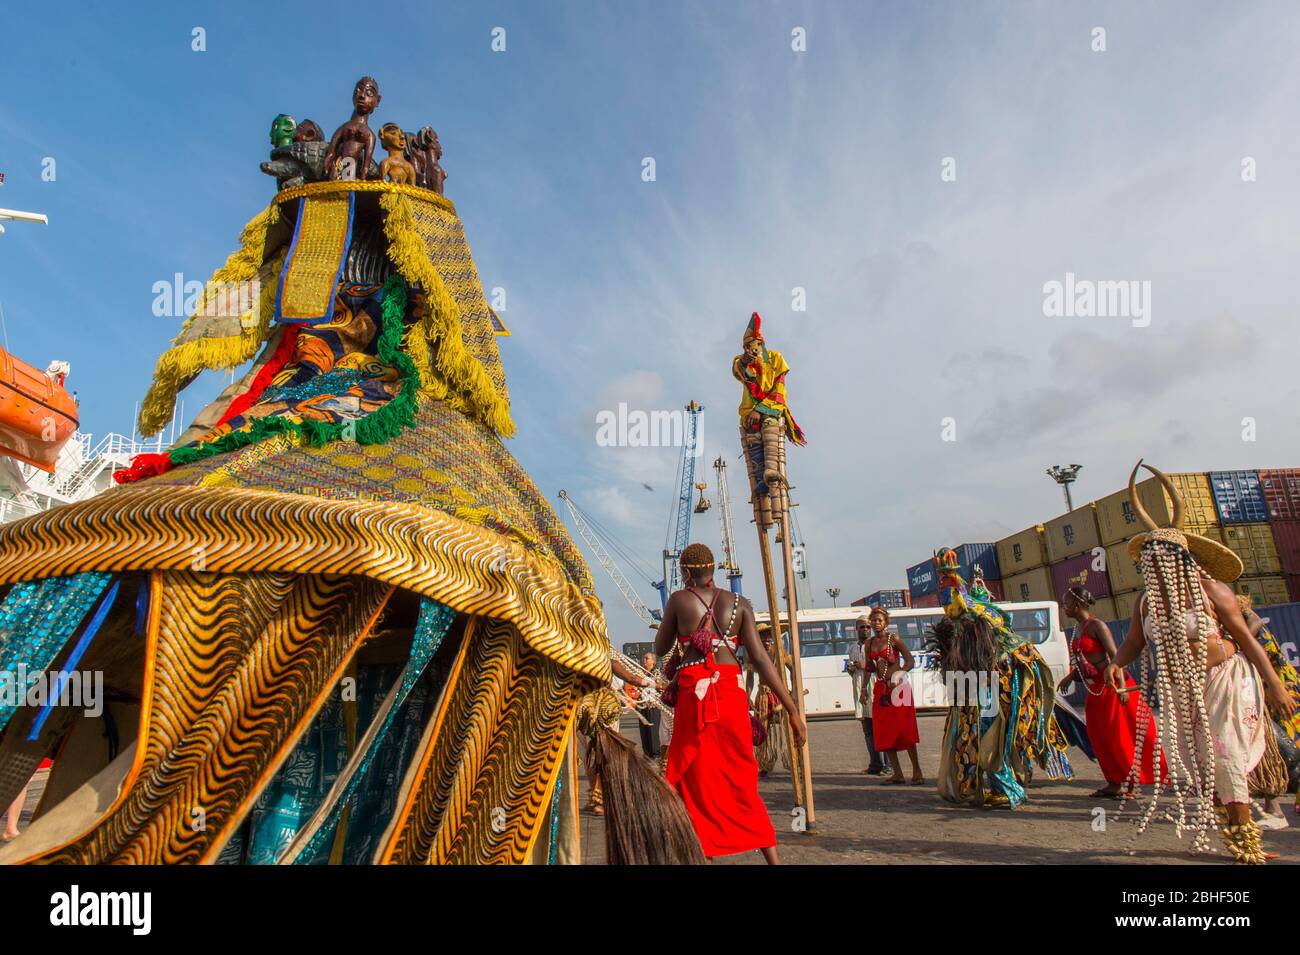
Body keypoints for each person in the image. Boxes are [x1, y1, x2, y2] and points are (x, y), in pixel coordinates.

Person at [1105, 462, 1296, 863]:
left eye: (1160, 558)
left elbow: (1244, 638)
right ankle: (1237, 834)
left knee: (1225, 756)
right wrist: (1117, 664)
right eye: (1148, 561)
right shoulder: (1145, 602)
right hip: (1181, 690)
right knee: (1200, 766)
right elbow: (1134, 642)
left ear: (1179, 558)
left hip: (1224, 681)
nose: (1152, 567)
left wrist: (1274, 685)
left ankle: (1249, 845)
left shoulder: (1213, 591)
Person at [654, 542, 806, 864]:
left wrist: (681, 626)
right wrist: (792, 709)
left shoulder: (679, 600)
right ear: (714, 570)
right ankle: (772, 859)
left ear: (684, 572)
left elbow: (661, 644)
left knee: (695, 779)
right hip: (732, 693)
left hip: (696, 695)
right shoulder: (739, 603)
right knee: (740, 778)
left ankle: (704, 851)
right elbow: (762, 660)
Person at [929, 548, 1073, 808]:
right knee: (981, 733)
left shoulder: (981, 617)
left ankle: (1010, 790)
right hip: (979, 684)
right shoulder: (964, 619)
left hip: (995, 685)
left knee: (991, 735)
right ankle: (999, 787)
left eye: (947, 577)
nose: (943, 582)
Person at [1057, 585, 1163, 797]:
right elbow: (1084, 663)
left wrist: (1122, 687)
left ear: (1077, 603)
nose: (1064, 607)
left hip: (1113, 687)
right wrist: (1069, 677)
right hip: (1096, 689)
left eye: (1066, 603)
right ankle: (1114, 780)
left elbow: (1116, 656)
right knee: (1099, 735)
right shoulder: (1078, 630)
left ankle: (1128, 781)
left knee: (1119, 735)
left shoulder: (1097, 626)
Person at [1237, 596, 1298, 829]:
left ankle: (1273, 808)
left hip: (1268, 688)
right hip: (1256, 687)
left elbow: (1255, 624)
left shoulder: (1245, 622)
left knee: (1271, 745)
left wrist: (1274, 688)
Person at [865, 609, 922, 784]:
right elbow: (870, 668)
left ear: (886, 622)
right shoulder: (869, 644)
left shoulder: (894, 639)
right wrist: (864, 669)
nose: (876, 623)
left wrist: (899, 674)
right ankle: (897, 773)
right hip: (881, 689)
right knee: (884, 730)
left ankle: (917, 771)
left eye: (879, 620)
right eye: (873, 620)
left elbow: (910, 661)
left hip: (899, 688)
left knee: (905, 729)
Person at [747, 633, 791, 776]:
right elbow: (750, 678)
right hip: (764, 696)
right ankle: (764, 764)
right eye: (763, 638)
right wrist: (747, 696)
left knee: (788, 728)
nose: (766, 641)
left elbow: (793, 669)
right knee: (762, 729)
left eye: (769, 638)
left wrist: (794, 691)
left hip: (780, 695)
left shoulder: (781, 653)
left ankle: (793, 761)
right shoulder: (754, 654)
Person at [847, 615, 885, 774]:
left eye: (868, 627)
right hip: (860, 691)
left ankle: (887, 765)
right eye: (862, 627)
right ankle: (875, 764)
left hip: (874, 689)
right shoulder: (853, 648)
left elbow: (884, 668)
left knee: (880, 729)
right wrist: (852, 670)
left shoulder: (876, 645)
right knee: (868, 730)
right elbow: (854, 674)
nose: (865, 629)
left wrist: (864, 665)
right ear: (856, 629)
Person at [635, 651, 663, 760]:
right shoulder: (641, 673)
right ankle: (646, 753)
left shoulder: (657, 673)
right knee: (644, 730)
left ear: (653, 661)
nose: (644, 660)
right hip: (642, 705)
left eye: (647, 658)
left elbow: (661, 687)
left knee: (653, 731)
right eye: (644, 658)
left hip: (653, 705)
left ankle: (655, 753)